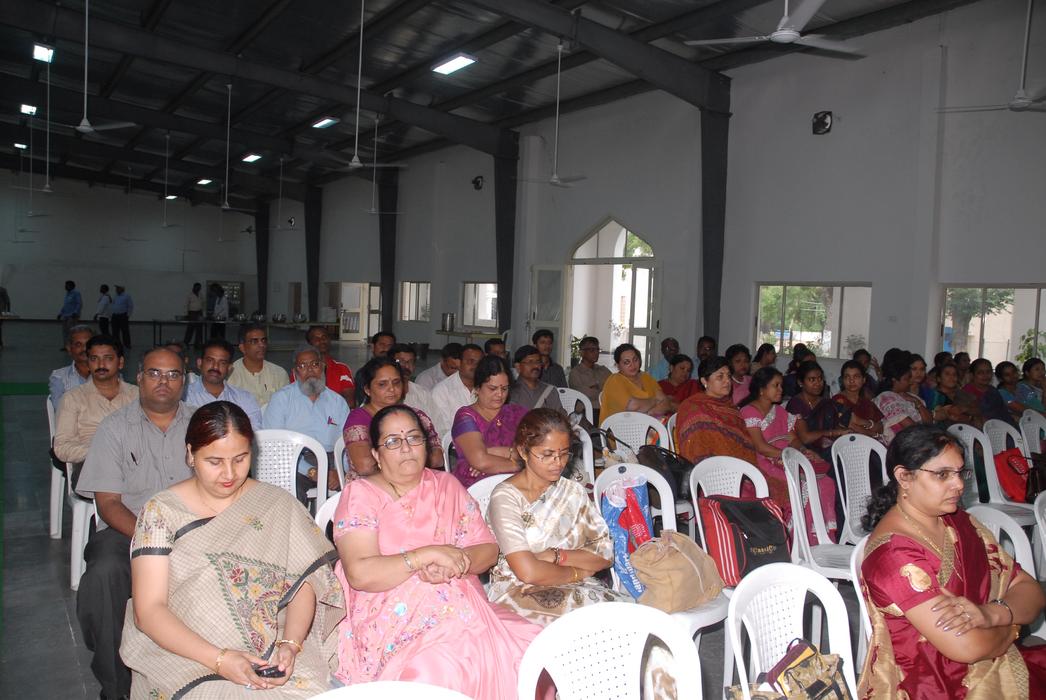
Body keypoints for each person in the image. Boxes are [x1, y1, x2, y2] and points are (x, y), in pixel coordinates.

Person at [121, 401, 343, 697]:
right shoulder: (162, 512)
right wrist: (220, 659)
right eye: (214, 462)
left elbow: (304, 582)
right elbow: (149, 611)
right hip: (186, 653)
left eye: (240, 459)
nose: (229, 474)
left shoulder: (275, 503)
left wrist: (290, 644)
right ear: (190, 454)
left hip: (273, 646)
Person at [333, 405, 539, 697]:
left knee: (531, 648)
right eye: (392, 441)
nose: (406, 448)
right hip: (390, 612)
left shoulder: (445, 485)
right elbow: (360, 573)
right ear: (377, 454)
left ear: (426, 444)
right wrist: (426, 555)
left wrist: (458, 561)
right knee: (441, 669)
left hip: (460, 603)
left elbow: (488, 549)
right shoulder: (361, 495)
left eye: (413, 437)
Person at [857, 424, 1046, 698]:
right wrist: (1013, 627)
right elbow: (968, 648)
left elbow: (1031, 590)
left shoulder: (958, 521)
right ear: (904, 477)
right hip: (935, 686)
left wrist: (991, 614)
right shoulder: (894, 557)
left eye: (960, 472)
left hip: (993, 660)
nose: (958, 485)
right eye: (943, 474)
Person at [75, 348, 194, 700]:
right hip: (128, 529)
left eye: (172, 374)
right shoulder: (114, 428)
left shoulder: (202, 424)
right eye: (154, 373)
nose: (163, 381)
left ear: (184, 382)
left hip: (192, 528)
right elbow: (108, 504)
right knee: (104, 575)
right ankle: (116, 688)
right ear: (139, 378)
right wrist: (153, 540)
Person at [487, 408, 623, 625]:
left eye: (564, 453)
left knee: (624, 617)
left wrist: (556, 555)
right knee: (589, 622)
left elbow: (604, 555)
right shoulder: (506, 498)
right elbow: (527, 572)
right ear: (523, 451)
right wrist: (579, 572)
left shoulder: (572, 492)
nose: (558, 462)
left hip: (578, 587)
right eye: (547, 455)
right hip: (519, 591)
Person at [740, 366, 838, 543]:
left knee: (826, 482)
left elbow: (793, 439)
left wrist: (805, 452)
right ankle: (798, 541)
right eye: (776, 385)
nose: (781, 390)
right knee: (805, 484)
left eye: (781, 385)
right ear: (762, 389)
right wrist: (788, 456)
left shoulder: (779, 411)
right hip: (766, 463)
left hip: (786, 459)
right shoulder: (749, 411)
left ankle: (817, 538)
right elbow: (761, 447)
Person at [263, 344, 350, 497]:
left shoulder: (338, 402)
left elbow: (347, 443)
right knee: (290, 493)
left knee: (357, 490)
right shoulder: (281, 399)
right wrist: (310, 471)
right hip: (295, 461)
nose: (310, 370)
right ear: (295, 372)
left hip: (332, 460)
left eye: (315, 364)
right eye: (302, 366)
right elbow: (274, 445)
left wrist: (341, 471)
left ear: (323, 367)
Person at [343, 357, 444, 480]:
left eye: (396, 382)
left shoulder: (416, 415)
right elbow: (365, 466)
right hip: (373, 485)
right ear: (367, 390)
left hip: (417, 482)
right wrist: (409, 464)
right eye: (382, 384)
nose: (391, 389)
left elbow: (437, 458)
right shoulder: (358, 419)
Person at [53, 335, 138, 473]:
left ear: (121, 362)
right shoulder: (72, 398)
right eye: (94, 359)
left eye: (108, 358)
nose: (101, 365)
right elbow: (61, 448)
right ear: (88, 364)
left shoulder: (137, 396)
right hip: (91, 465)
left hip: (134, 463)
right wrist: (100, 451)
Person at [451, 355, 528, 488]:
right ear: (477, 387)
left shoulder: (516, 413)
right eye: (492, 388)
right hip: (476, 486)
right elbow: (481, 462)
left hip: (517, 484)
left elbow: (535, 450)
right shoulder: (466, 416)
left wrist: (491, 452)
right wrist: (519, 463)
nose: (500, 394)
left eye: (504, 388)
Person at [677, 356, 758, 466]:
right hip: (711, 470)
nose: (727, 381)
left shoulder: (729, 406)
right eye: (720, 377)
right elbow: (695, 450)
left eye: (728, 376)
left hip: (740, 465)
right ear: (704, 381)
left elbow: (743, 441)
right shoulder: (694, 408)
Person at [184, 338, 262, 430]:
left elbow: (254, 432)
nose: (215, 367)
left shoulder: (245, 399)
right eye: (210, 360)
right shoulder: (185, 397)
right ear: (199, 363)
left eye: (222, 363)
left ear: (229, 368)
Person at [787, 361, 852, 462]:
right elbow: (805, 438)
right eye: (812, 379)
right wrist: (833, 432)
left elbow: (841, 423)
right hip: (806, 451)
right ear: (800, 382)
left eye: (820, 378)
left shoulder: (827, 403)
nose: (818, 383)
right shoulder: (796, 404)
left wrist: (846, 431)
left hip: (828, 445)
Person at [600, 343, 673, 420]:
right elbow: (633, 407)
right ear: (618, 366)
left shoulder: (646, 377)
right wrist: (654, 401)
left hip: (645, 422)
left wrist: (650, 413)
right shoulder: (614, 380)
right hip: (618, 425)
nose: (633, 365)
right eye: (626, 362)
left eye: (635, 360)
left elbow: (666, 402)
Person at [874, 351, 933, 444]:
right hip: (901, 444)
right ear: (894, 380)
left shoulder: (914, 398)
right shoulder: (886, 397)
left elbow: (929, 422)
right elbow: (910, 427)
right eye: (906, 379)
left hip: (919, 440)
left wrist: (917, 402)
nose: (910, 382)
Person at [227, 323, 289, 407]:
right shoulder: (230, 374)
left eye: (263, 340)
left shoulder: (279, 373)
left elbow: (286, 406)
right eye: (254, 341)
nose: (261, 345)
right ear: (242, 348)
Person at [430, 343, 484, 437]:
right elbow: (442, 431)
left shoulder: (487, 388)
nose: (475, 366)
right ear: (459, 363)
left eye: (479, 363)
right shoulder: (441, 391)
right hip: (453, 443)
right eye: (470, 361)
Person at [832, 360, 886, 440]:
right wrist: (874, 433)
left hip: (868, 443)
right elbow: (850, 427)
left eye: (856, 376)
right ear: (842, 380)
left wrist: (862, 422)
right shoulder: (838, 400)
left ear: (864, 380)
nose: (851, 381)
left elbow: (880, 428)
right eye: (847, 377)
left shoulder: (867, 403)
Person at [305, 325, 355, 408]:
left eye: (324, 337)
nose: (321, 340)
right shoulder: (301, 371)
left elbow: (350, 402)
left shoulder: (342, 369)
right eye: (316, 339)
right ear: (309, 344)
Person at [568, 335, 612, 420]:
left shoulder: (603, 370)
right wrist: (602, 390)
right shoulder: (575, 372)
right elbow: (584, 394)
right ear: (582, 353)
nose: (596, 353)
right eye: (592, 350)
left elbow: (614, 388)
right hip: (586, 411)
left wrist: (596, 388)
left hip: (606, 410)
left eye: (597, 350)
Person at [50, 324, 94, 406]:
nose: (84, 349)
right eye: (78, 345)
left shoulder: (108, 374)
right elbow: (60, 408)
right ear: (69, 349)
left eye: (88, 344)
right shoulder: (59, 377)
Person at [390, 343, 438, 419]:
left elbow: (437, 422)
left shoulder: (423, 393)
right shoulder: (385, 393)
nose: (406, 366)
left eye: (410, 362)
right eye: (401, 361)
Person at [963, 358, 1016, 427]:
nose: (985, 375)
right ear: (972, 375)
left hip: (1001, 427)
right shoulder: (966, 392)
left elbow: (1003, 412)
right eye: (980, 372)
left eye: (988, 372)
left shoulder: (993, 391)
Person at [928, 361, 982, 427]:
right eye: (947, 374)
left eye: (954, 374)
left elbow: (977, 410)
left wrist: (965, 409)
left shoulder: (963, 394)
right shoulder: (934, 395)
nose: (952, 377)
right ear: (939, 379)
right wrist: (969, 418)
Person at [510, 344, 563, 412]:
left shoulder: (550, 391)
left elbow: (560, 416)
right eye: (530, 362)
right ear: (518, 366)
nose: (535, 366)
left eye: (538, 362)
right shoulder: (511, 393)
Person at [58, 279, 83, 348]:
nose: (65, 287)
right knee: (65, 331)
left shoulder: (76, 293)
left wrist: (75, 312)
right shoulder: (67, 294)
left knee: (72, 331)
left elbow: (79, 303)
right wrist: (60, 313)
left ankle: (73, 346)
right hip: (65, 315)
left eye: (67, 285)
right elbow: (65, 305)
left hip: (72, 316)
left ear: (71, 286)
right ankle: (66, 346)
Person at [111, 285, 134, 349]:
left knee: (125, 331)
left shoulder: (127, 296)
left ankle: (127, 344)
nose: (116, 290)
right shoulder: (115, 296)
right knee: (115, 331)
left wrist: (128, 315)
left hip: (123, 315)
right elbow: (112, 304)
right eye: (116, 289)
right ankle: (117, 344)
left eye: (118, 288)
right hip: (115, 316)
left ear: (122, 289)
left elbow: (130, 306)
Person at [183, 282, 204, 348]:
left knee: (199, 329)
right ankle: (186, 343)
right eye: (197, 287)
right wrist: (186, 314)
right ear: (194, 287)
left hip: (199, 313)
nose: (198, 289)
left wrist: (202, 313)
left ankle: (197, 344)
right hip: (192, 313)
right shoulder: (189, 295)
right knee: (190, 329)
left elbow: (202, 304)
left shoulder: (201, 294)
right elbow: (186, 305)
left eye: (199, 288)